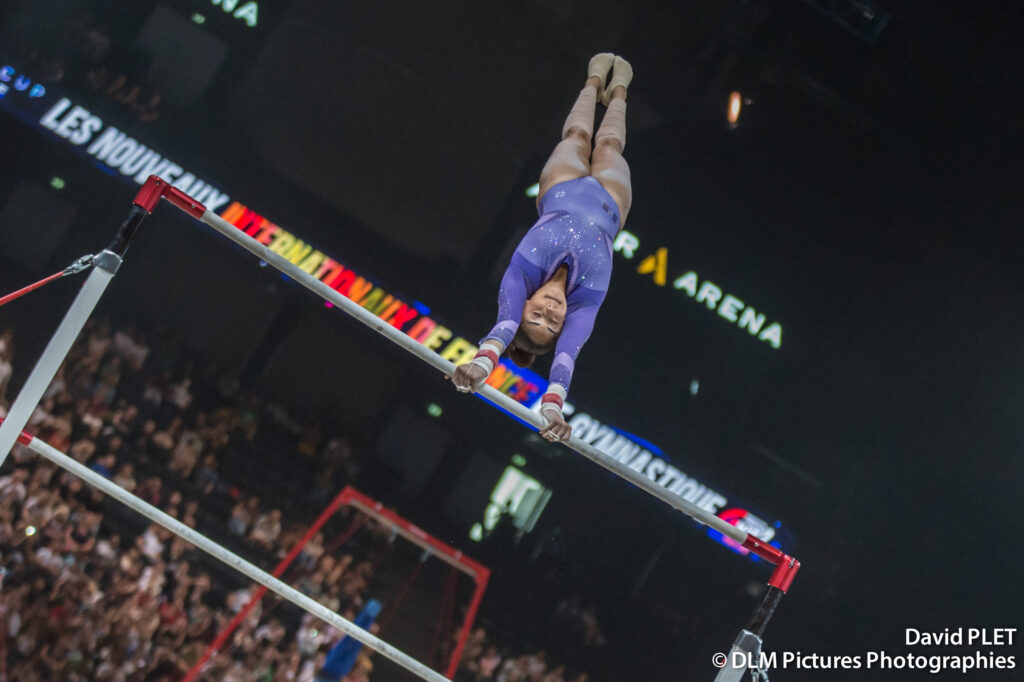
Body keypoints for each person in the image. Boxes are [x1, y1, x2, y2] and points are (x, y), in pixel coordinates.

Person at [449, 54, 633, 442]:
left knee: (578, 139)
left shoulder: (522, 274)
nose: (550, 311)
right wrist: (552, 410)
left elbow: (502, 328)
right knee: (610, 144)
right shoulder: (587, 303)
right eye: (553, 324)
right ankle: (619, 92)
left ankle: (593, 83)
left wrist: (480, 370)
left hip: (560, 188)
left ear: (525, 305)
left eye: (536, 316)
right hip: (610, 206)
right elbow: (566, 359)